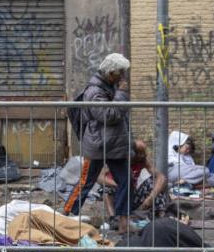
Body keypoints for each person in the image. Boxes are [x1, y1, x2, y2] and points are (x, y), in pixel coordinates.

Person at [63, 53, 131, 217]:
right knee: (86, 181)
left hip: (114, 145)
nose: (123, 76)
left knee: (126, 182)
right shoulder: (94, 91)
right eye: (120, 73)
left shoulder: (109, 86)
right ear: (110, 73)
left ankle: (121, 220)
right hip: (97, 145)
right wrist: (122, 93)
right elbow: (109, 116)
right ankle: (67, 213)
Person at [98, 140, 168, 227]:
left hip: (133, 196)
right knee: (106, 188)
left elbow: (161, 177)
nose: (142, 156)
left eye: (143, 153)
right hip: (119, 196)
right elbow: (99, 177)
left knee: (155, 182)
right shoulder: (118, 159)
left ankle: (162, 216)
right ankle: (113, 218)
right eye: (140, 153)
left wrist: (149, 199)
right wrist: (118, 184)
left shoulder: (142, 161)